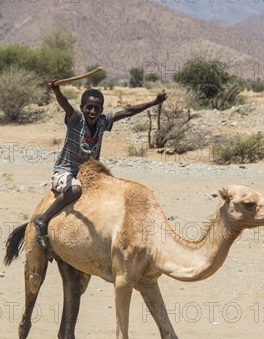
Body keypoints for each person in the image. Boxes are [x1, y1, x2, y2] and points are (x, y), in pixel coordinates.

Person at [33, 81, 167, 247]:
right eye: (89, 107)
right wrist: (57, 90)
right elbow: (65, 104)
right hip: (66, 172)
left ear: (102, 110)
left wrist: (154, 102)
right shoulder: (75, 119)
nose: (93, 111)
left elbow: (128, 111)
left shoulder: (103, 122)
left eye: (97, 108)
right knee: (75, 189)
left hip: (90, 175)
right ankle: (42, 220)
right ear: (82, 108)